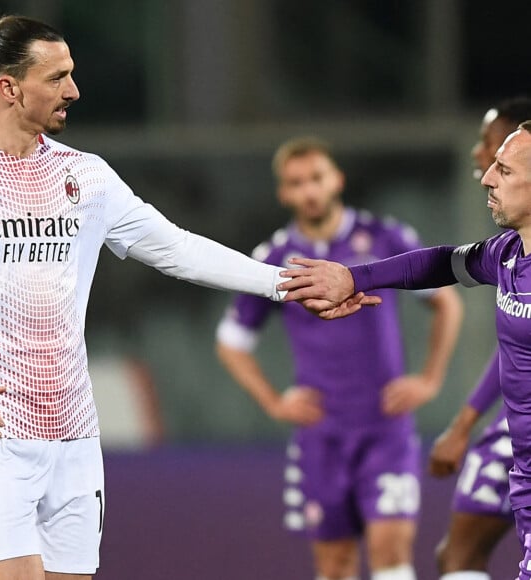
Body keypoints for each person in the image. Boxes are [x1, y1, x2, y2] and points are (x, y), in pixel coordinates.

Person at [0, 12, 379, 580]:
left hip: (73, 432)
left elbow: (178, 249)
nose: (74, 90)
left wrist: (285, 284)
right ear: (9, 87)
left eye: (72, 74)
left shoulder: (89, 177)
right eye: (57, 78)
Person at [277, 120, 531, 580]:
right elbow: (441, 263)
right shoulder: (508, 253)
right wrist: (354, 277)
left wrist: (438, 388)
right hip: (523, 471)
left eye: (504, 169)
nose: (488, 177)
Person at [215, 136, 463, 580]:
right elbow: (232, 341)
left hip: (384, 426)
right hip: (321, 434)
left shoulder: (387, 238)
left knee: (391, 552)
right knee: (335, 565)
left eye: (316, 178)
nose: (309, 190)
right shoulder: (274, 259)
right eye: (297, 182)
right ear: (283, 193)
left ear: (337, 180)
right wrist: (274, 402)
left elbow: (445, 303)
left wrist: (429, 379)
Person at [429, 98, 531, 580]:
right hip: (512, 429)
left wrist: (464, 422)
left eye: (492, 148)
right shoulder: (508, 251)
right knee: (456, 556)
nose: (480, 157)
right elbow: (514, 348)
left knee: (457, 556)